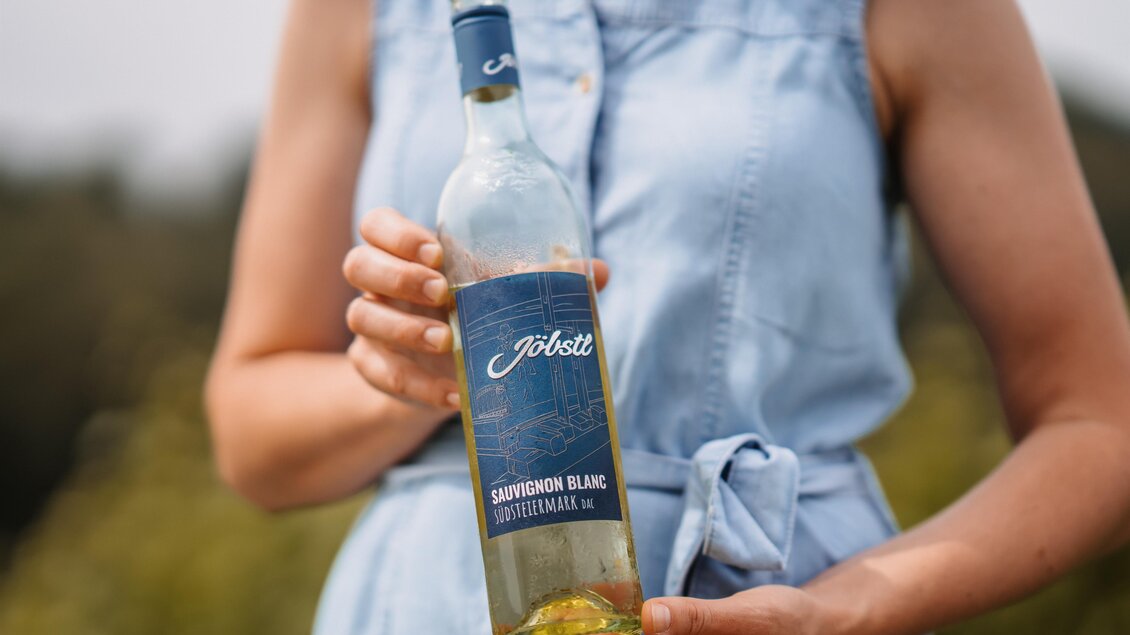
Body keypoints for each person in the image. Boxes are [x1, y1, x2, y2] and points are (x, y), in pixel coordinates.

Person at [204, 0, 1130, 633]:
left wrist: (853, 606)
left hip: (778, 599)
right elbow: (251, 434)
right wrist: (419, 378)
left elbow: (1103, 421)